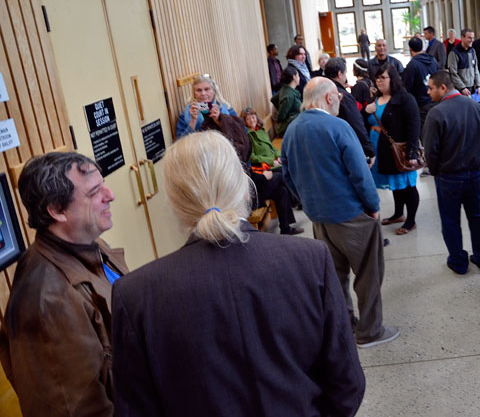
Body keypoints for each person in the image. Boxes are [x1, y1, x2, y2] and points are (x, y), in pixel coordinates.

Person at [111, 131, 365, 416]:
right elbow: (347, 383)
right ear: (245, 187)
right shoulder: (310, 260)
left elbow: (136, 408)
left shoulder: (136, 294)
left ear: (173, 202)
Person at [0, 152, 128, 416]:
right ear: (57, 210)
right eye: (94, 192)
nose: (110, 194)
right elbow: (76, 409)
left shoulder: (91, 246)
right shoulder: (48, 303)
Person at [282, 77, 400, 348]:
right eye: (337, 94)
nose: (341, 99)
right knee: (369, 274)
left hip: (319, 219)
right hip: (351, 216)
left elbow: (288, 176)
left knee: (335, 278)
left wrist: (309, 202)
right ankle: (370, 332)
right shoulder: (338, 127)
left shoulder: (292, 130)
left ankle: (346, 326)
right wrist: (373, 207)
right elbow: (360, 174)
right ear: (327, 98)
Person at [422, 71, 480, 274]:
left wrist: (435, 171)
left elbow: (430, 150)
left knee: (451, 220)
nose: (428, 92)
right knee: (477, 216)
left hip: (448, 176)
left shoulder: (436, 113)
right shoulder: (475, 106)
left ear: (443, 88)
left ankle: (458, 262)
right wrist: (478, 158)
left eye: (431, 87)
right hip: (474, 173)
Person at [200, 103, 302, 235]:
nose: (251, 121)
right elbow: (245, 174)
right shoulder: (229, 155)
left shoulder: (249, 140)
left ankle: (286, 228)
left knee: (281, 190)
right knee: (281, 175)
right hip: (249, 197)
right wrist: (264, 175)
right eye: (248, 119)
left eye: (253, 118)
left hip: (255, 183)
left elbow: (259, 159)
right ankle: (298, 201)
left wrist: (274, 162)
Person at [365, 64, 422, 235]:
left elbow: (414, 126)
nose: (379, 81)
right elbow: (364, 121)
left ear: (393, 79)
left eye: (383, 77)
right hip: (380, 150)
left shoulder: (404, 99)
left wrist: (412, 152)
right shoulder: (375, 99)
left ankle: (410, 220)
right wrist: (365, 111)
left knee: (407, 186)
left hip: (399, 150)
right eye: (377, 77)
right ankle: (398, 214)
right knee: (395, 184)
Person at [324, 57, 376, 162]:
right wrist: (369, 150)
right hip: (345, 145)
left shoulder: (321, 92)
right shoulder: (343, 96)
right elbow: (355, 122)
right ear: (340, 74)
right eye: (345, 73)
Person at [403, 36, 439, 129]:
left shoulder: (412, 65)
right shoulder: (433, 60)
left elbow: (406, 88)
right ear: (422, 47)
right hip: (436, 101)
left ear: (410, 49)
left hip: (421, 105)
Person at [242, 107, 282, 171]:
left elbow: (271, 147)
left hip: (274, 159)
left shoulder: (261, 130)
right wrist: (271, 162)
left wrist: (279, 156)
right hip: (264, 165)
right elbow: (252, 157)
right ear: (245, 122)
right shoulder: (248, 136)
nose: (252, 120)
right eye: (248, 119)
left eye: (253, 117)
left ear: (256, 118)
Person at [446, 28, 480, 96]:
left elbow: (476, 69)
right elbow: (453, 73)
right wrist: (462, 87)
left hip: (473, 88)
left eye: (473, 38)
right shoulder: (454, 53)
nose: (472, 40)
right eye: (469, 38)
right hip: (461, 90)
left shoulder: (472, 51)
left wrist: (479, 85)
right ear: (462, 37)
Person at [271, 66, 302, 137]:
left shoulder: (286, 90)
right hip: (287, 130)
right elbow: (281, 116)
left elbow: (274, 99)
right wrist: (291, 116)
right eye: (298, 76)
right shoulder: (288, 96)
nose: (299, 78)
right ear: (294, 77)